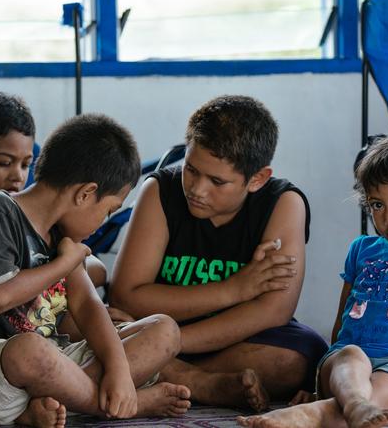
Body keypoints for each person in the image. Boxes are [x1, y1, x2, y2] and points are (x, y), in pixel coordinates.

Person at [0, 114, 191, 427]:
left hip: (55, 372)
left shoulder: (62, 234)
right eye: (108, 211)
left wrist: (117, 368)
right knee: (30, 350)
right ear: (85, 193)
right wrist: (63, 263)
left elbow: (88, 306)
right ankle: (114, 405)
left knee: (164, 330)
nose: (102, 221)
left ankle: (57, 405)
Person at [238, 135, 388, 428]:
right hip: (342, 364)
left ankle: (322, 413)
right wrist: (319, 384)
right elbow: (342, 321)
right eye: (377, 205)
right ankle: (347, 405)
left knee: (382, 391)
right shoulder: (362, 251)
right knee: (350, 354)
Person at [110, 95, 328, 410]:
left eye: (217, 181)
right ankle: (202, 383)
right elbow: (126, 297)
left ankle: (166, 374)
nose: (197, 189)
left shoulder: (283, 202)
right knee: (93, 322)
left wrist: (167, 343)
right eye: (191, 170)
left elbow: (274, 310)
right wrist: (235, 289)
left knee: (298, 357)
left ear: (257, 179)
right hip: (154, 328)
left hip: (230, 341)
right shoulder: (160, 190)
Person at [0, 92, 108, 295]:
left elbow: (98, 270)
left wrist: (29, 278)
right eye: (4, 163)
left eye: (25, 165)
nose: (18, 176)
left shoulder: (30, 219)